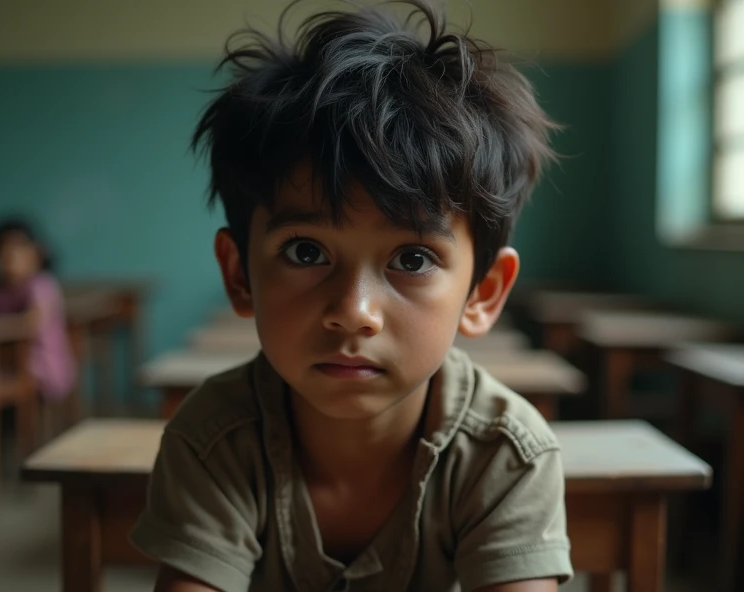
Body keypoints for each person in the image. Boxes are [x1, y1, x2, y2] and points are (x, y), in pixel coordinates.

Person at [130, 1, 571, 590]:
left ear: (482, 294)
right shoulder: (215, 441)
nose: (353, 312)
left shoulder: (505, 455)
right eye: (306, 252)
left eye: (412, 259)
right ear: (239, 275)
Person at [0, 217, 75, 402]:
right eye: (2, 251)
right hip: (6, 363)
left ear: (35, 253)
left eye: (17, 249)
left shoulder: (43, 285)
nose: (9, 256)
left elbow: (31, 324)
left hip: (42, 365)